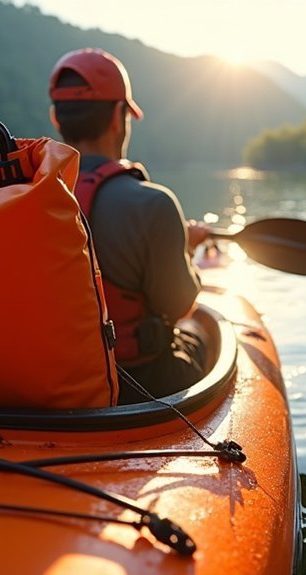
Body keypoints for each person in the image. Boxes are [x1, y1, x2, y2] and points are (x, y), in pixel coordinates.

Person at [47, 48, 211, 404]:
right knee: (199, 329)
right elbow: (180, 306)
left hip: (52, 384)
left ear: (57, 119)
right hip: (141, 388)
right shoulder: (154, 204)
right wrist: (186, 248)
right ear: (118, 117)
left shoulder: (20, 197)